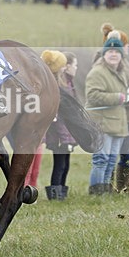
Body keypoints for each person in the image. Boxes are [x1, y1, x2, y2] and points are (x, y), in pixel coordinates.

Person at [85, 37, 129, 195]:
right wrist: (118, 97)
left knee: (111, 160)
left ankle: (105, 190)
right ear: (104, 54)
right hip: (102, 123)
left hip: (117, 123)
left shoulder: (120, 72)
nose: (113, 54)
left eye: (117, 51)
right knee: (101, 159)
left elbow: (122, 96)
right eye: (110, 51)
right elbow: (92, 95)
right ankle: (96, 192)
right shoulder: (97, 72)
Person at [102, 28, 129, 192]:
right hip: (116, 116)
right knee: (111, 154)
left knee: (128, 154)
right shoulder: (107, 64)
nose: (127, 47)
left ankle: (122, 186)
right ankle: (108, 186)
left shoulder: (127, 65)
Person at [41, 50, 76, 200]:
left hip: (66, 133)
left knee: (65, 164)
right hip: (60, 135)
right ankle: (55, 194)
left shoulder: (65, 83)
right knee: (60, 165)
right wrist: (64, 138)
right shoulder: (54, 87)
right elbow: (59, 116)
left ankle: (62, 192)